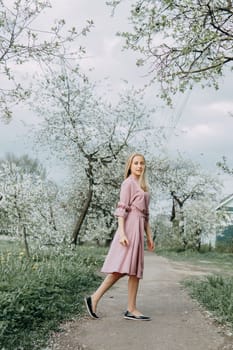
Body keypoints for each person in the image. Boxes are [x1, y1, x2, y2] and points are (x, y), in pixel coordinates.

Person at [84, 153, 155, 321]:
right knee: (121, 269)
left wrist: (150, 236)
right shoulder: (128, 183)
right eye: (136, 163)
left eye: (142, 163)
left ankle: (131, 308)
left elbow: (146, 216)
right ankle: (94, 298)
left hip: (139, 228)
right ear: (130, 165)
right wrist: (122, 233)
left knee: (135, 271)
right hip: (129, 229)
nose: (139, 166)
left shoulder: (144, 187)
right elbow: (121, 210)